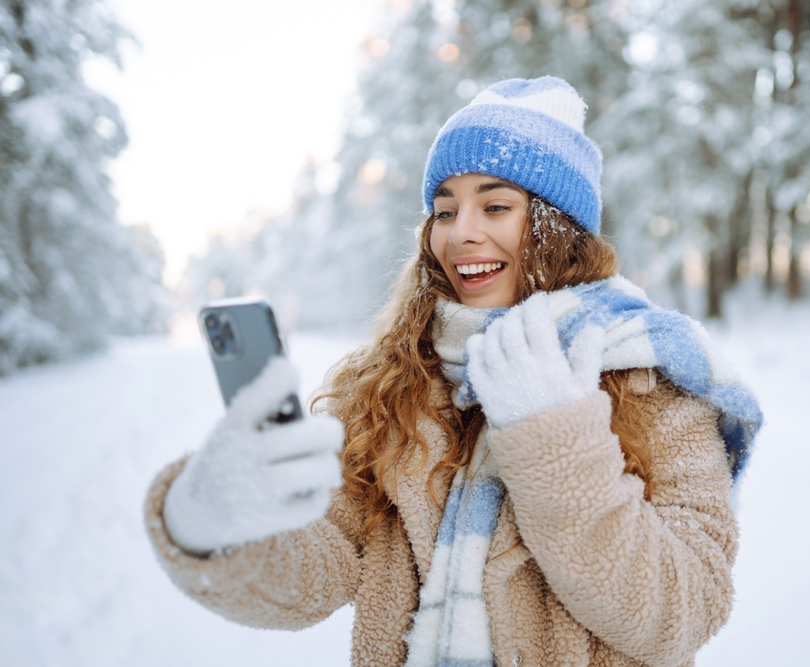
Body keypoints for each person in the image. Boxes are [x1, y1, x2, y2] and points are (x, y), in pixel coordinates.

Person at [145, 76, 762, 667]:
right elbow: (322, 564)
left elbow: (684, 610)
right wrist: (209, 524)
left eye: (495, 206)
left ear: (558, 227)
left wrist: (554, 434)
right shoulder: (396, 384)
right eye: (444, 212)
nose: (461, 233)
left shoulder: (651, 377)